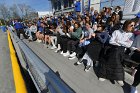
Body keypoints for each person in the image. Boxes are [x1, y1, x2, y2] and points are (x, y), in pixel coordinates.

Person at [98, 20, 135, 86]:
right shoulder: (117, 32)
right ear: (126, 24)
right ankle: (118, 77)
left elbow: (129, 45)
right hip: (113, 48)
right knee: (115, 53)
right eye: (131, 25)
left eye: (134, 25)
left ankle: (105, 75)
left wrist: (118, 41)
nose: (133, 27)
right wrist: (122, 43)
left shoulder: (131, 35)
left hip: (123, 51)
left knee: (116, 54)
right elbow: (111, 41)